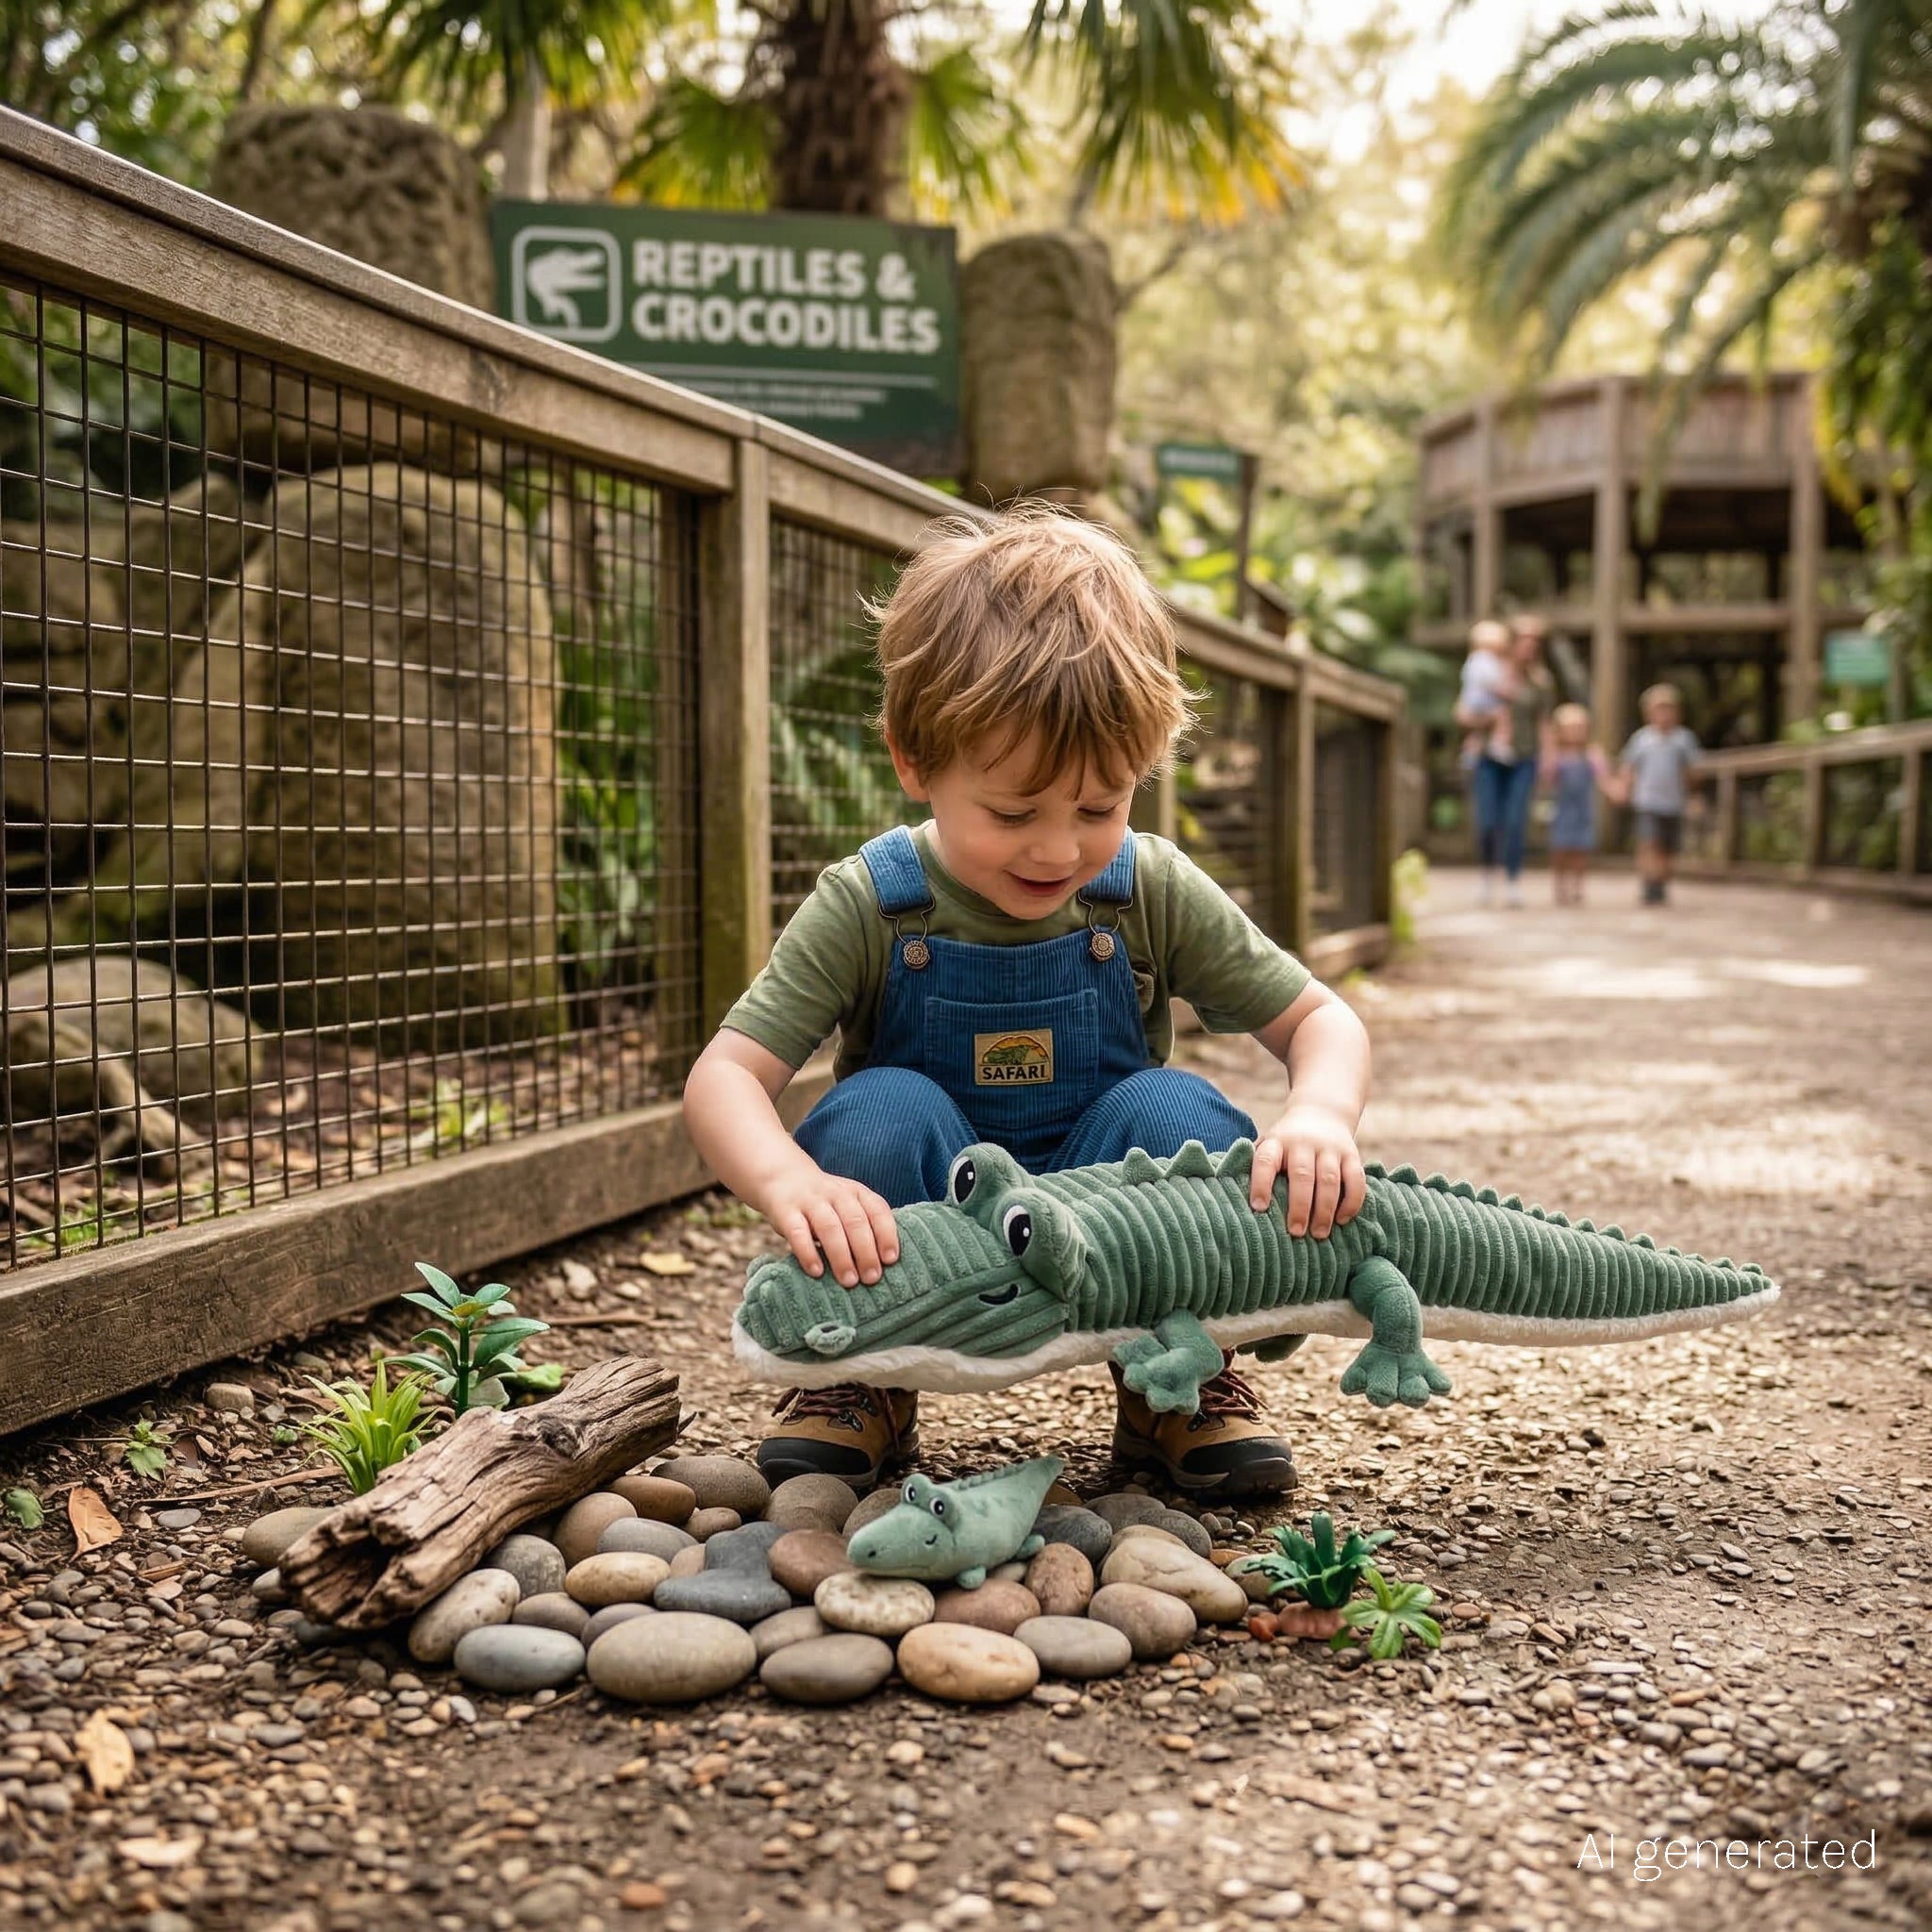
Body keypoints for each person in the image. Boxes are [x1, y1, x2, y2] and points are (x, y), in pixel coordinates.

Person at [682, 508, 1372, 1499]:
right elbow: (726, 1076)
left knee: (1179, 1117)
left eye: (1100, 806)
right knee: (876, 1112)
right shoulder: (872, 900)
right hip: (930, 1208)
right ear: (912, 760)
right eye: (1011, 812)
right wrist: (788, 1182)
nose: (1056, 849)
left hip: (1108, 1215)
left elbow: (1321, 1019)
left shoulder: (1144, 886)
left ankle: (1173, 1377)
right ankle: (860, 1372)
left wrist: (1317, 1114)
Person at [1459, 615, 1555, 908]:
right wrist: (1488, 719)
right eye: (1523, 640)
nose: (1529, 647)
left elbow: (1544, 723)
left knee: (1515, 821)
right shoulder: (1488, 672)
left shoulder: (1540, 682)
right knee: (1487, 821)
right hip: (1489, 757)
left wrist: (1549, 757)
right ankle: (1488, 876)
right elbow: (1462, 713)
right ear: (1511, 643)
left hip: (1524, 758)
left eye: (1534, 642)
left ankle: (1513, 879)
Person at [1619, 682, 1703, 905]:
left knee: (1668, 847)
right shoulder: (1641, 739)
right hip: (1647, 800)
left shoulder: (1684, 740)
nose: (1663, 714)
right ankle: (1649, 883)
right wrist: (1624, 788)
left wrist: (1694, 796)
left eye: (1668, 709)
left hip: (1673, 802)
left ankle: (1660, 882)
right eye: (1658, 709)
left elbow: (1691, 771)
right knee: (1649, 842)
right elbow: (1629, 766)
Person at [1541, 702, 1618, 905]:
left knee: (1580, 850)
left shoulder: (1592, 755)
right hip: (1562, 809)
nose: (1575, 733)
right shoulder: (1556, 756)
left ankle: (1577, 885)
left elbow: (1603, 778)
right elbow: (1547, 780)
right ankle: (1560, 885)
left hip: (1583, 810)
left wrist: (1613, 791)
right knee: (1560, 849)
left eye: (1579, 728)